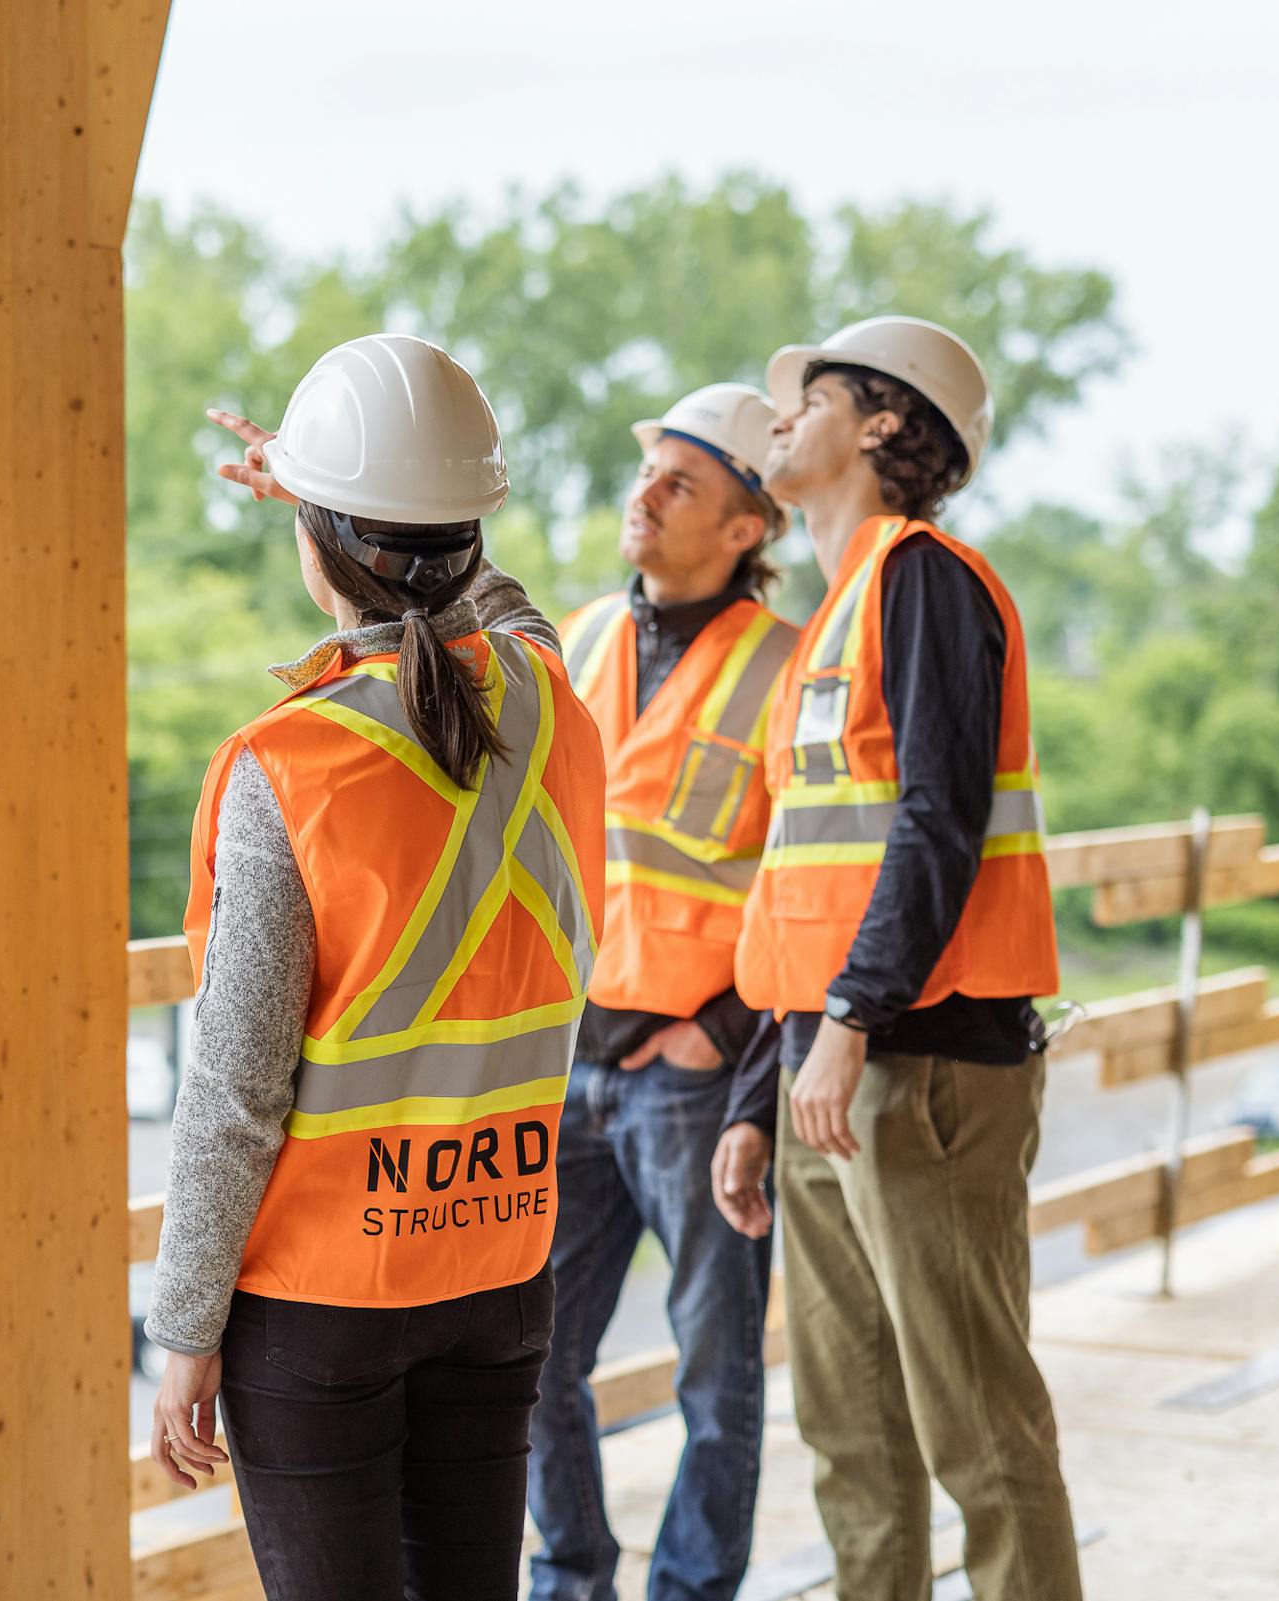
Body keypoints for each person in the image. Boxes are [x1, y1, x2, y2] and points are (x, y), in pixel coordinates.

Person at [142, 333, 607, 1600]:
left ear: (321, 546)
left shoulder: (289, 768)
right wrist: (352, 501)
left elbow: (235, 1091)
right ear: (471, 527)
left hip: (325, 1303)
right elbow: (499, 607)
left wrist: (184, 1330)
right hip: (500, 1266)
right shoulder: (554, 701)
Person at [718, 316, 1079, 1600]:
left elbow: (939, 814)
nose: (776, 419)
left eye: (803, 397)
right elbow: (809, 876)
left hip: (922, 1060)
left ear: (879, 421)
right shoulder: (831, 618)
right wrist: (761, 1093)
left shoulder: (925, 579)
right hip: (830, 1066)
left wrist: (854, 1022)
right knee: (852, 1435)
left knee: (975, 1427)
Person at [528, 383, 796, 1601]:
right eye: (648, 475)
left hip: (693, 1073)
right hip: (567, 1061)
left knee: (716, 1372)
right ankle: (571, 1577)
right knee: (530, 1354)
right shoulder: (578, 639)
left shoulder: (790, 668)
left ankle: (691, 1593)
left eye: (679, 482)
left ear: (747, 525)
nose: (644, 495)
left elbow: (811, 879)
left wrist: (722, 1041)